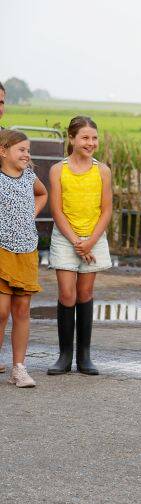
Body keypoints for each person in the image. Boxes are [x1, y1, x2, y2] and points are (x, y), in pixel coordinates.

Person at [47, 116, 113, 376]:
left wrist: (91, 241)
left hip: (94, 238)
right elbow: (57, 209)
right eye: (85, 137)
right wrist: (75, 241)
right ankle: (64, 355)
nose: (91, 143)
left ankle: (84, 356)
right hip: (66, 238)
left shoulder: (102, 171)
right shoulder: (57, 170)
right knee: (67, 294)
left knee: (85, 293)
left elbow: (106, 209)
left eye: (94, 138)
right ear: (71, 139)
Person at [0, 129, 48, 386]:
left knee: (22, 310)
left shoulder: (29, 177)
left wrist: (32, 212)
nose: (26, 154)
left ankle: (19, 368)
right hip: (1, 250)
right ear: (3, 151)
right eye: (21, 150)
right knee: (1, 310)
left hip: (27, 250)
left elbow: (43, 194)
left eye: (28, 150)